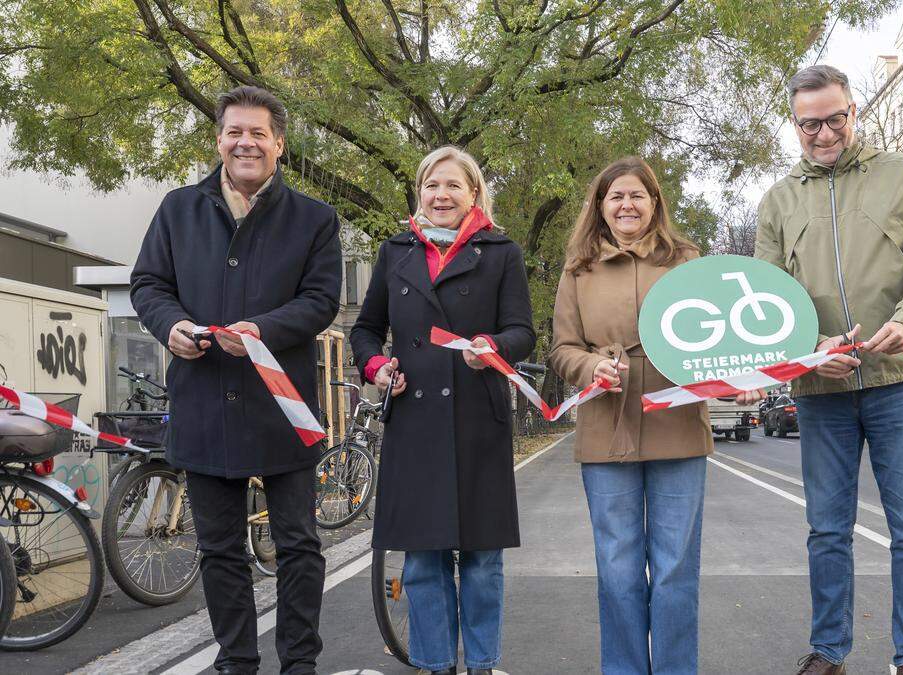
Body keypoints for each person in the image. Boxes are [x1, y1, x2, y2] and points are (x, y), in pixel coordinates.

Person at [754, 65, 903, 675]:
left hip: (901, 376)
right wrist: (812, 346)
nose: (823, 134)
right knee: (826, 530)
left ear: (853, 111)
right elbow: (767, 296)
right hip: (821, 387)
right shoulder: (779, 199)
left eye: (833, 119)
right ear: (795, 125)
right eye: (808, 124)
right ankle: (829, 651)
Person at [131, 86, 342, 674]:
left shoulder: (315, 219)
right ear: (218, 139)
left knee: (298, 543)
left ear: (278, 143)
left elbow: (322, 298)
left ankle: (299, 662)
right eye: (234, 132)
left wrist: (262, 330)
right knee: (218, 548)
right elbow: (148, 284)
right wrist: (169, 325)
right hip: (203, 402)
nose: (245, 142)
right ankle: (236, 662)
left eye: (258, 133)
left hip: (283, 405)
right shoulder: (178, 208)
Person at [549, 157, 763, 675]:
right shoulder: (578, 268)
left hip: (679, 432)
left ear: (654, 203)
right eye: (616, 196)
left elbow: (721, 338)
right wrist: (591, 365)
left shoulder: (688, 260)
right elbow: (561, 349)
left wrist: (738, 382)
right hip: (606, 432)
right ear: (600, 206)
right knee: (618, 570)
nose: (626, 205)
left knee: (674, 571)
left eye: (637, 195)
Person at [350, 146, 534, 675]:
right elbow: (365, 330)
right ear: (419, 193)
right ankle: (435, 665)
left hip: (479, 419)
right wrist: (376, 365)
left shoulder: (501, 253)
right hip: (414, 421)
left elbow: (522, 331)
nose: (441, 195)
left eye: (453, 186)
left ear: (474, 193)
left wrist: (492, 348)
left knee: (481, 560)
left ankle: (481, 665)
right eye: (432, 185)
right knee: (423, 560)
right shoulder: (395, 251)